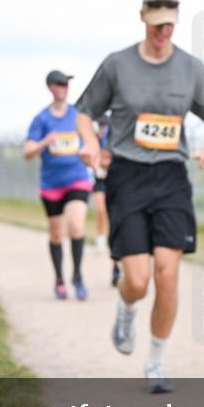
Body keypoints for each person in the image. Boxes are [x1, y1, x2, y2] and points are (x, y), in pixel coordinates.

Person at [76, 0, 204, 394]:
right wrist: (91, 143)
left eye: (170, 24)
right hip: (127, 174)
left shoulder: (190, 68)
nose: (163, 31)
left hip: (170, 177)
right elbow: (85, 112)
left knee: (168, 273)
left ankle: (156, 361)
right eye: (157, 23)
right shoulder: (117, 65)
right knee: (139, 279)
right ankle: (127, 308)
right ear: (142, 18)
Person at [24, 70, 92, 301]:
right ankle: (59, 279)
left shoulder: (77, 115)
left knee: (76, 226)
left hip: (77, 178)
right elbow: (27, 152)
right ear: (51, 87)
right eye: (60, 84)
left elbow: (91, 141)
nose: (64, 88)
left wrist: (89, 152)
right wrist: (46, 141)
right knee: (56, 234)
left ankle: (78, 276)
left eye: (67, 84)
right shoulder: (42, 119)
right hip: (51, 183)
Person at [91, 114, 121, 286]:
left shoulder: (113, 140)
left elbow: (108, 160)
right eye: (100, 126)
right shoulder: (93, 140)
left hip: (113, 181)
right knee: (101, 209)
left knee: (116, 221)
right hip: (99, 181)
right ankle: (100, 238)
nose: (102, 129)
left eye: (104, 126)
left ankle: (116, 265)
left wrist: (103, 160)